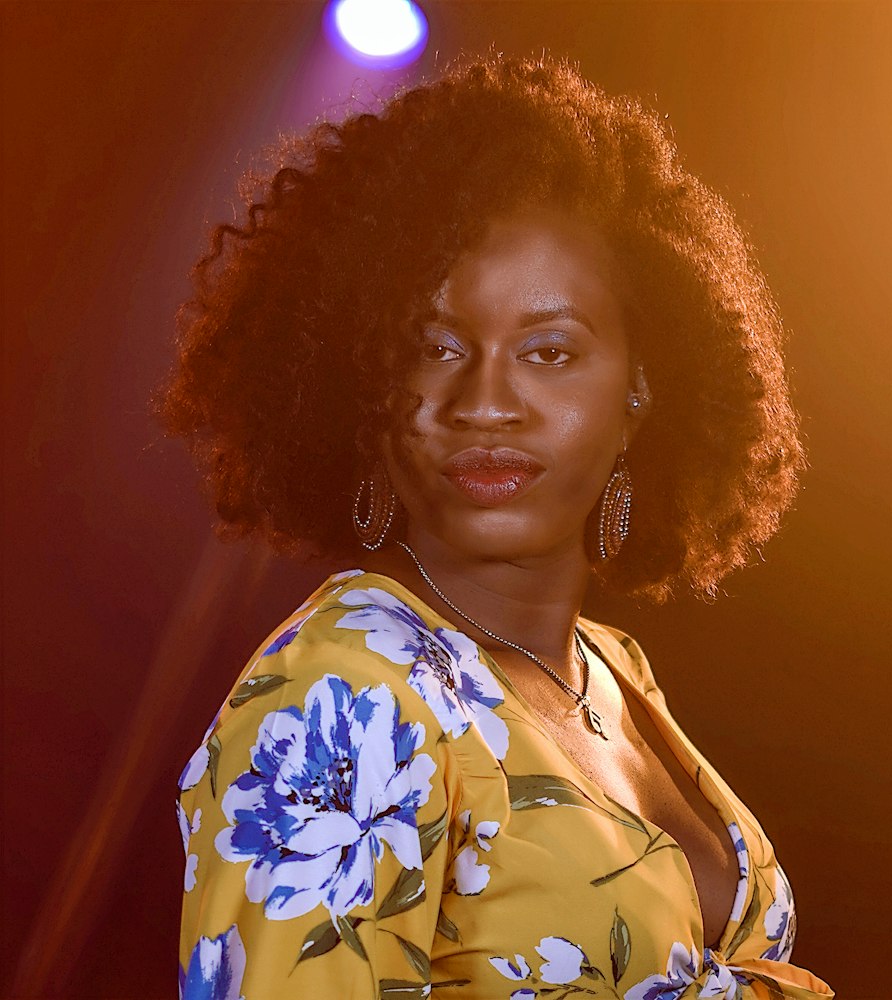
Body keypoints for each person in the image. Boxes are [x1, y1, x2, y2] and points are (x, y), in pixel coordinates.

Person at [162, 55, 833, 999]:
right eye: (435, 347)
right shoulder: (342, 696)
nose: (485, 402)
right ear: (361, 379)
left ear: (642, 390)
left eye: (549, 351)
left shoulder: (613, 671)